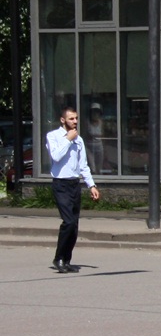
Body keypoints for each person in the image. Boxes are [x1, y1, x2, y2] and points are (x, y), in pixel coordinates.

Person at [45, 107, 100, 274]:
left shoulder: (79, 140)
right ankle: (58, 258)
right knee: (68, 221)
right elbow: (56, 156)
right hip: (60, 184)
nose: (75, 121)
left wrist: (91, 185)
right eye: (71, 119)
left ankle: (67, 260)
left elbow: (83, 165)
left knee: (74, 225)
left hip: (74, 184)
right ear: (63, 120)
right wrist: (68, 139)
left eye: (76, 118)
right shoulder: (53, 136)